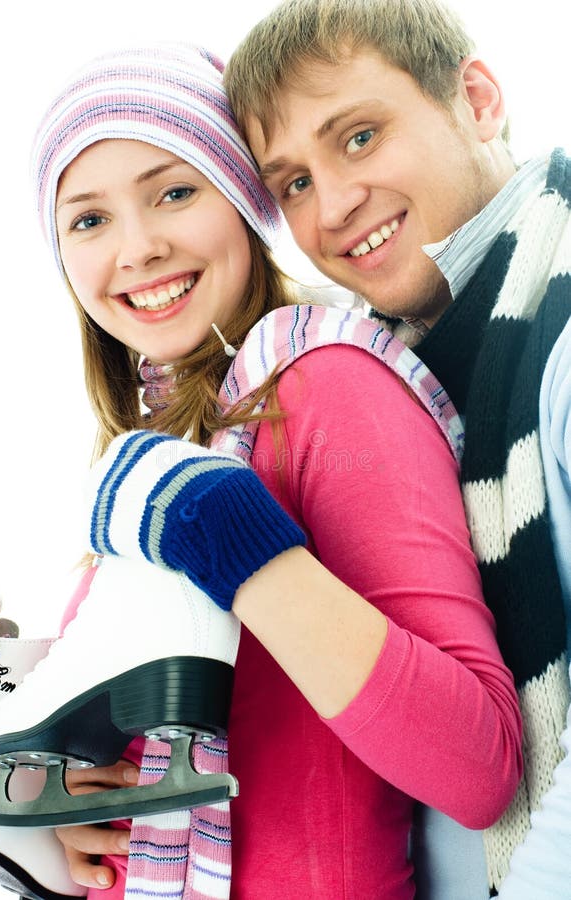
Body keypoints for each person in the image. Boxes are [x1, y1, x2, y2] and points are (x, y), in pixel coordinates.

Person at [22, 40, 523, 900]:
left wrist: (240, 547)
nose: (136, 249)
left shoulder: (323, 384)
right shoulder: (161, 463)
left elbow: (477, 765)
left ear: (241, 202)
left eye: (174, 192)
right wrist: (64, 799)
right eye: (89, 219)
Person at [222, 0, 571, 895]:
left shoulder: (560, 339)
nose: (334, 205)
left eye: (361, 136)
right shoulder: (389, 380)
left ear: (479, 99)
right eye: (292, 183)